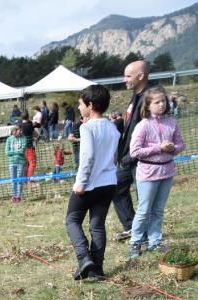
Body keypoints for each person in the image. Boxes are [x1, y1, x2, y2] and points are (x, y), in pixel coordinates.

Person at [64, 84, 119, 282]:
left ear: (90, 104)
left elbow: (87, 157)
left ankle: (84, 257)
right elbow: (113, 156)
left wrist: (80, 183)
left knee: (72, 220)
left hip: (89, 184)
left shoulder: (86, 127)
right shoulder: (113, 127)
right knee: (97, 225)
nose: (79, 108)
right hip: (109, 183)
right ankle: (97, 269)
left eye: (80, 104)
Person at [127, 85, 185, 259]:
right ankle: (135, 243)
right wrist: (158, 148)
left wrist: (173, 148)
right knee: (144, 210)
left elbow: (181, 144)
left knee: (158, 209)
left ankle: (155, 241)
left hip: (167, 171)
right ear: (148, 105)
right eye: (157, 102)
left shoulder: (172, 122)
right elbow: (135, 151)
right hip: (147, 173)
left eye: (163, 101)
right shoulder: (142, 125)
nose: (161, 104)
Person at [113, 60, 157, 242]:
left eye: (128, 76)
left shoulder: (152, 97)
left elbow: (153, 129)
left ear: (141, 76)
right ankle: (131, 226)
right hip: (127, 156)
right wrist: (118, 123)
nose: (125, 80)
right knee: (116, 187)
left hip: (143, 157)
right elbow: (133, 126)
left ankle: (149, 235)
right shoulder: (135, 96)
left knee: (144, 198)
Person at [6, 125, 27, 203]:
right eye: (19, 130)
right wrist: (17, 152)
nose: (21, 132)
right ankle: (13, 196)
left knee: (19, 180)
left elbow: (22, 151)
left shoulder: (23, 138)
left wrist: (13, 152)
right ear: (15, 131)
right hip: (12, 162)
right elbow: (7, 152)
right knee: (13, 180)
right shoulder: (9, 139)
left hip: (21, 162)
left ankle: (18, 196)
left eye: (21, 130)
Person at [20, 112, 37, 178]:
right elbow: (35, 134)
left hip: (22, 148)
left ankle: (25, 179)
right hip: (29, 147)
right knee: (32, 163)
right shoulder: (30, 125)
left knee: (26, 164)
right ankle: (30, 180)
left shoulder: (20, 125)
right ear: (28, 116)